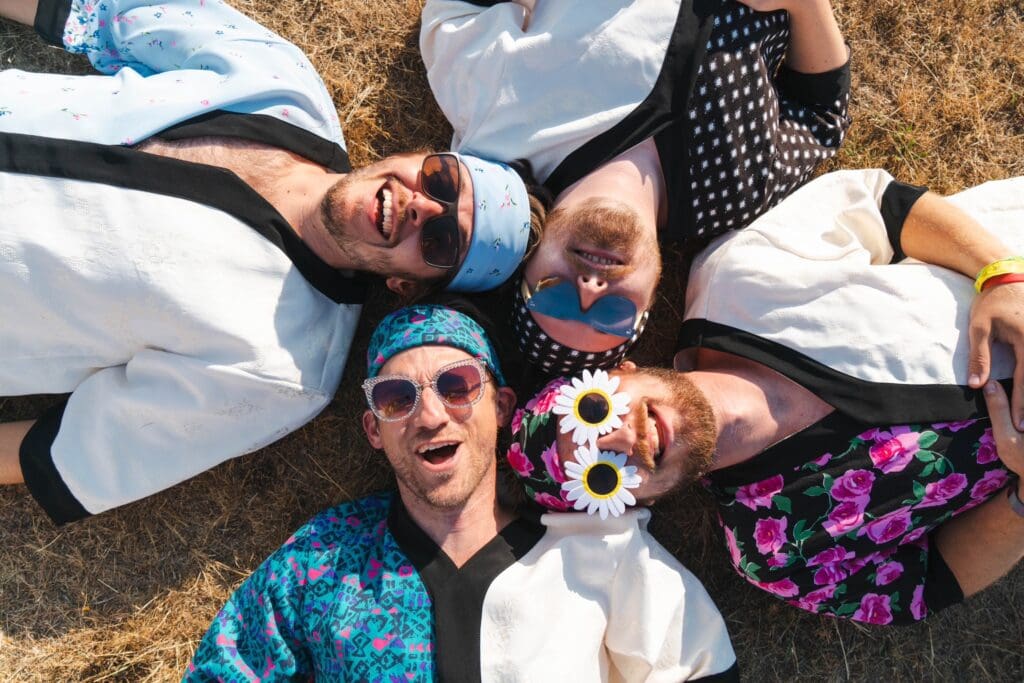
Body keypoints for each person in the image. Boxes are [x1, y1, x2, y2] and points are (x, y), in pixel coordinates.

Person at [0, 0, 544, 525]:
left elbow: (72, 452)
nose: (421, 206)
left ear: (404, 285)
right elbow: (93, 11)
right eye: (441, 180)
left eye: (441, 241)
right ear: (422, 155)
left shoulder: (285, 367)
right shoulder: (280, 84)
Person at [511, 169, 1024, 625]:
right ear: (636, 503)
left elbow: (885, 206)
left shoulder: (735, 280)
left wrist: (1000, 274)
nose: (624, 438)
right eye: (603, 476)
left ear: (617, 370)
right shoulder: (775, 552)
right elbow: (925, 584)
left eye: (594, 411)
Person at [184, 303, 739, 681]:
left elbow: (696, 663)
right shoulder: (322, 558)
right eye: (397, 398)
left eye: (457, 387)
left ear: (500, 409)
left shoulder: (601, 549)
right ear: (374, 430)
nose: (429, 415)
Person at [421, 0, 851, 373]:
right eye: (612, 315)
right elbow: (823, 116)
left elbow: (454, 13)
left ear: (526, 262)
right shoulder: (731, 198)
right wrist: (805, 7)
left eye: (554, 299)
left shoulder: (503, 125)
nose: (589, 289)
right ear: (650, 303)